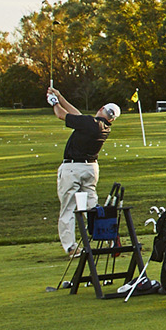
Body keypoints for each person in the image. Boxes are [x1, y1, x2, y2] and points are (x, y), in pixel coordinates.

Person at [47, 85, 120, 257]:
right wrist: (60, 95)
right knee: (92, 206)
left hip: (73, 168)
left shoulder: (90, 123)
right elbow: (77, 116)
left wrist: (54, 102)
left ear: (101, 109)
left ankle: (71, 247)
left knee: (68, 208)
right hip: (91, 169)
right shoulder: (103, 127)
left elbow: (61, 115)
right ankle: (109, 238)